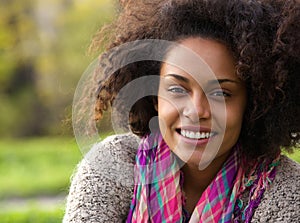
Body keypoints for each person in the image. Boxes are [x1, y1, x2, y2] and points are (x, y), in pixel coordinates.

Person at [63, 0, 300, 222]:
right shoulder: (111, 164)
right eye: (177, 89)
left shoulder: (285, 188)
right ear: (155, 96)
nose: (196, 111)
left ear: (253, 103)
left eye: (221, 93)